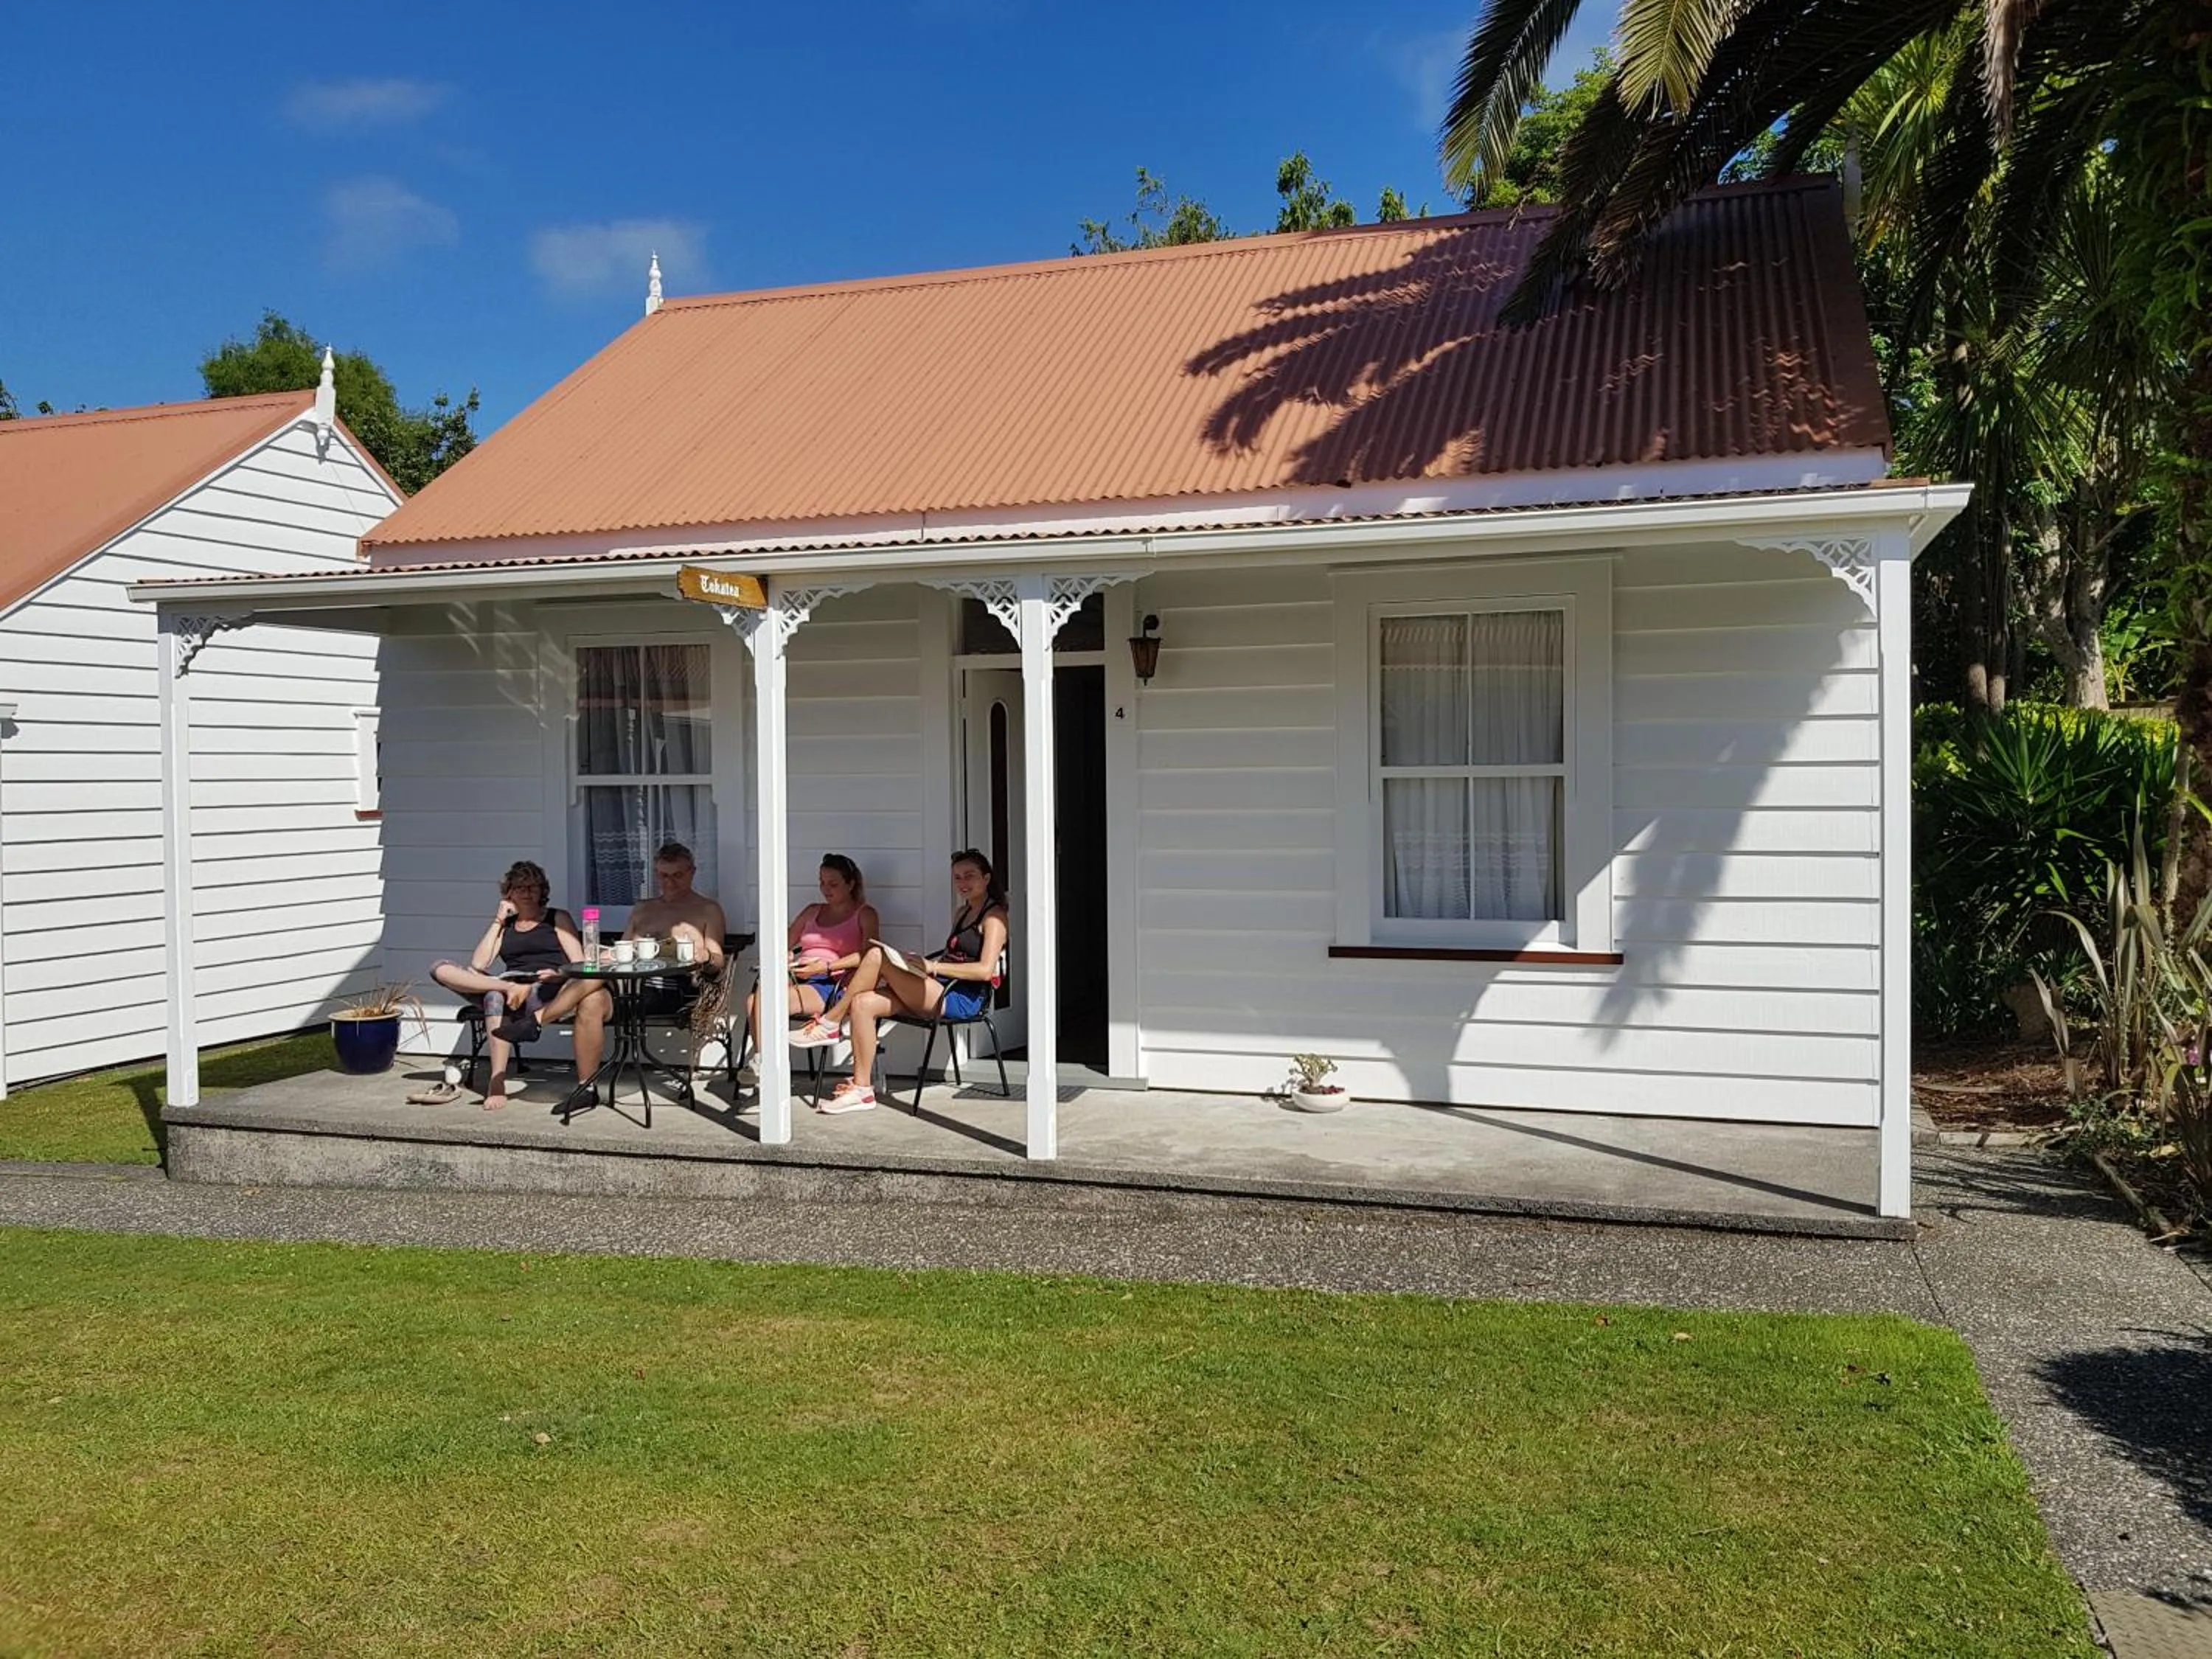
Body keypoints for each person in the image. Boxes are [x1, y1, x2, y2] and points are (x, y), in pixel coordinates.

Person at [793, 848, 1008, 1113]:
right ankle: (862, 1090)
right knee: (863, 1003)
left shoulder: (994, 917)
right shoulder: (962, 912)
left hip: (962, 998)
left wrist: (933, 966)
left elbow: (985, 971)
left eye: (970, 876)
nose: (962, 883)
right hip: (938, 985)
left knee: (877, 954)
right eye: (957, 877)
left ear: (986, 878)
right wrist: (917, 965)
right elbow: (953, 956)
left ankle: (831, 1021)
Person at [431, 861, 609, 1113]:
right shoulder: (506, 925)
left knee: (493, 997)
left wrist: (557, 975)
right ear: (509, 893)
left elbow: (579, 964)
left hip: (544, 989)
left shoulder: (557, 918)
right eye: (520, 887)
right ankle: (506, 990)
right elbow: (479, 963)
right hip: (510, 986)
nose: (527, 893)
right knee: (440, 968)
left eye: (533, 887)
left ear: (542, 890)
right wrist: (498, 920)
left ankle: (496, 1081)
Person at [726, 854, 877, 1080]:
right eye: (822, 882)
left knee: (763, 1001)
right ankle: (762, 1061)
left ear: (851, 884)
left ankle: (765, 1066)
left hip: (832, 981)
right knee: (756, 997)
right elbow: (784, 942)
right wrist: (784, 954)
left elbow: (869, 955)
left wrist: (826, 967)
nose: (826, 889)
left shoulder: (864, 914)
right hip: (800, 973)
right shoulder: (813, 911)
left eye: (833, 884)